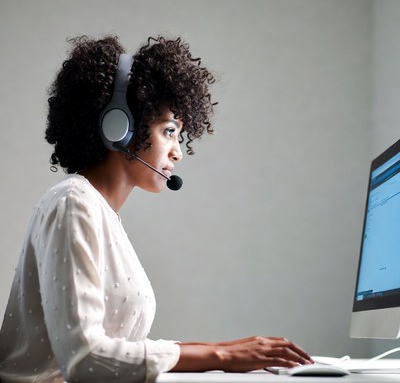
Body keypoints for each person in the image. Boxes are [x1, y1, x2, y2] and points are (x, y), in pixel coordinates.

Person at [0, 35, 313, 383]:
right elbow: (85, 359)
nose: (178, 152)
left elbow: (115, 348)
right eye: (169, 131)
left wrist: (225, 351)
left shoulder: (99, 212)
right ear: (118, 126)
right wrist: (219, 355)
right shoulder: (73, 203)